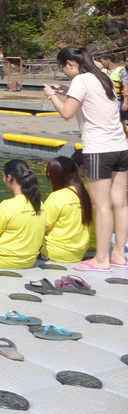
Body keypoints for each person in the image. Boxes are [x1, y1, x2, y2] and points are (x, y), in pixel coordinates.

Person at [44, 45, 128, 272]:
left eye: (64, 69)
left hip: (99, 148)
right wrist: (66, 90)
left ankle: (101, 259)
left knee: (101, 205)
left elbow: (67, 113)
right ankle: (119, 255)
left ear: (70, 64)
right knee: (120, 203)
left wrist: (51, 94)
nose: (65, 74)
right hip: (120, 146)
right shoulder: (103, 78)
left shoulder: (80, 80)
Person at [0, 160, 44, 269]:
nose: (3, 179)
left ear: (9, 177)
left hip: (4, 261)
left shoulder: (6, 206)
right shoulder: (40, 204)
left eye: (3, 176)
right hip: (29, 261)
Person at [43, 155, 94, 264]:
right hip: (79, 252)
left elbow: (43, 226)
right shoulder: (85, 194)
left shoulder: (56, 197)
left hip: (55, 252)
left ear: (55, 176)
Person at [98, 54, 128, 124]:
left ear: (108, 61)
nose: (101, 63)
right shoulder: (102, 71)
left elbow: (126, 88)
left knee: (121, 120)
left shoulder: (121, 71)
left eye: (102, 61)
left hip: (117, 100)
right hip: (104, 100)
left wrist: (126, 102)